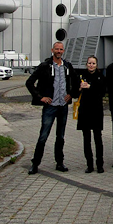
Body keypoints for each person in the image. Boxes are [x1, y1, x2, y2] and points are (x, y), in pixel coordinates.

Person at [25, 42, 77, 174]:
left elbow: (76, 82)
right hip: (50, 107)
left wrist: (71, 94)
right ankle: (35, 163)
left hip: (63, 106)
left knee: (60, 136)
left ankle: (59, 162)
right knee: (43, 135)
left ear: (63, 51)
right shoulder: (45, 66)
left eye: (61, 49)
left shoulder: (67, 66)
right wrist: (40, 97)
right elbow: (29, 82)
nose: (58, 51)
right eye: (56, 49)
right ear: (52, 49)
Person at [76, 55, 106, 174]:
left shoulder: (100, 76)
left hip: (96, 110)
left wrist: (90, 87)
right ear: (86, 64)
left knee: (98, 138)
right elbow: (74, 91)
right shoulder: (81, 76)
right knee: (86, 139)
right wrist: (79, 88)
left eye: (93, 63)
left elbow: (103, 91)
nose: (91, 65)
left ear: (96, 65)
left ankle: (100, 164)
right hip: (84, 111)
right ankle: (89, 164)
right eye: (89, 63)